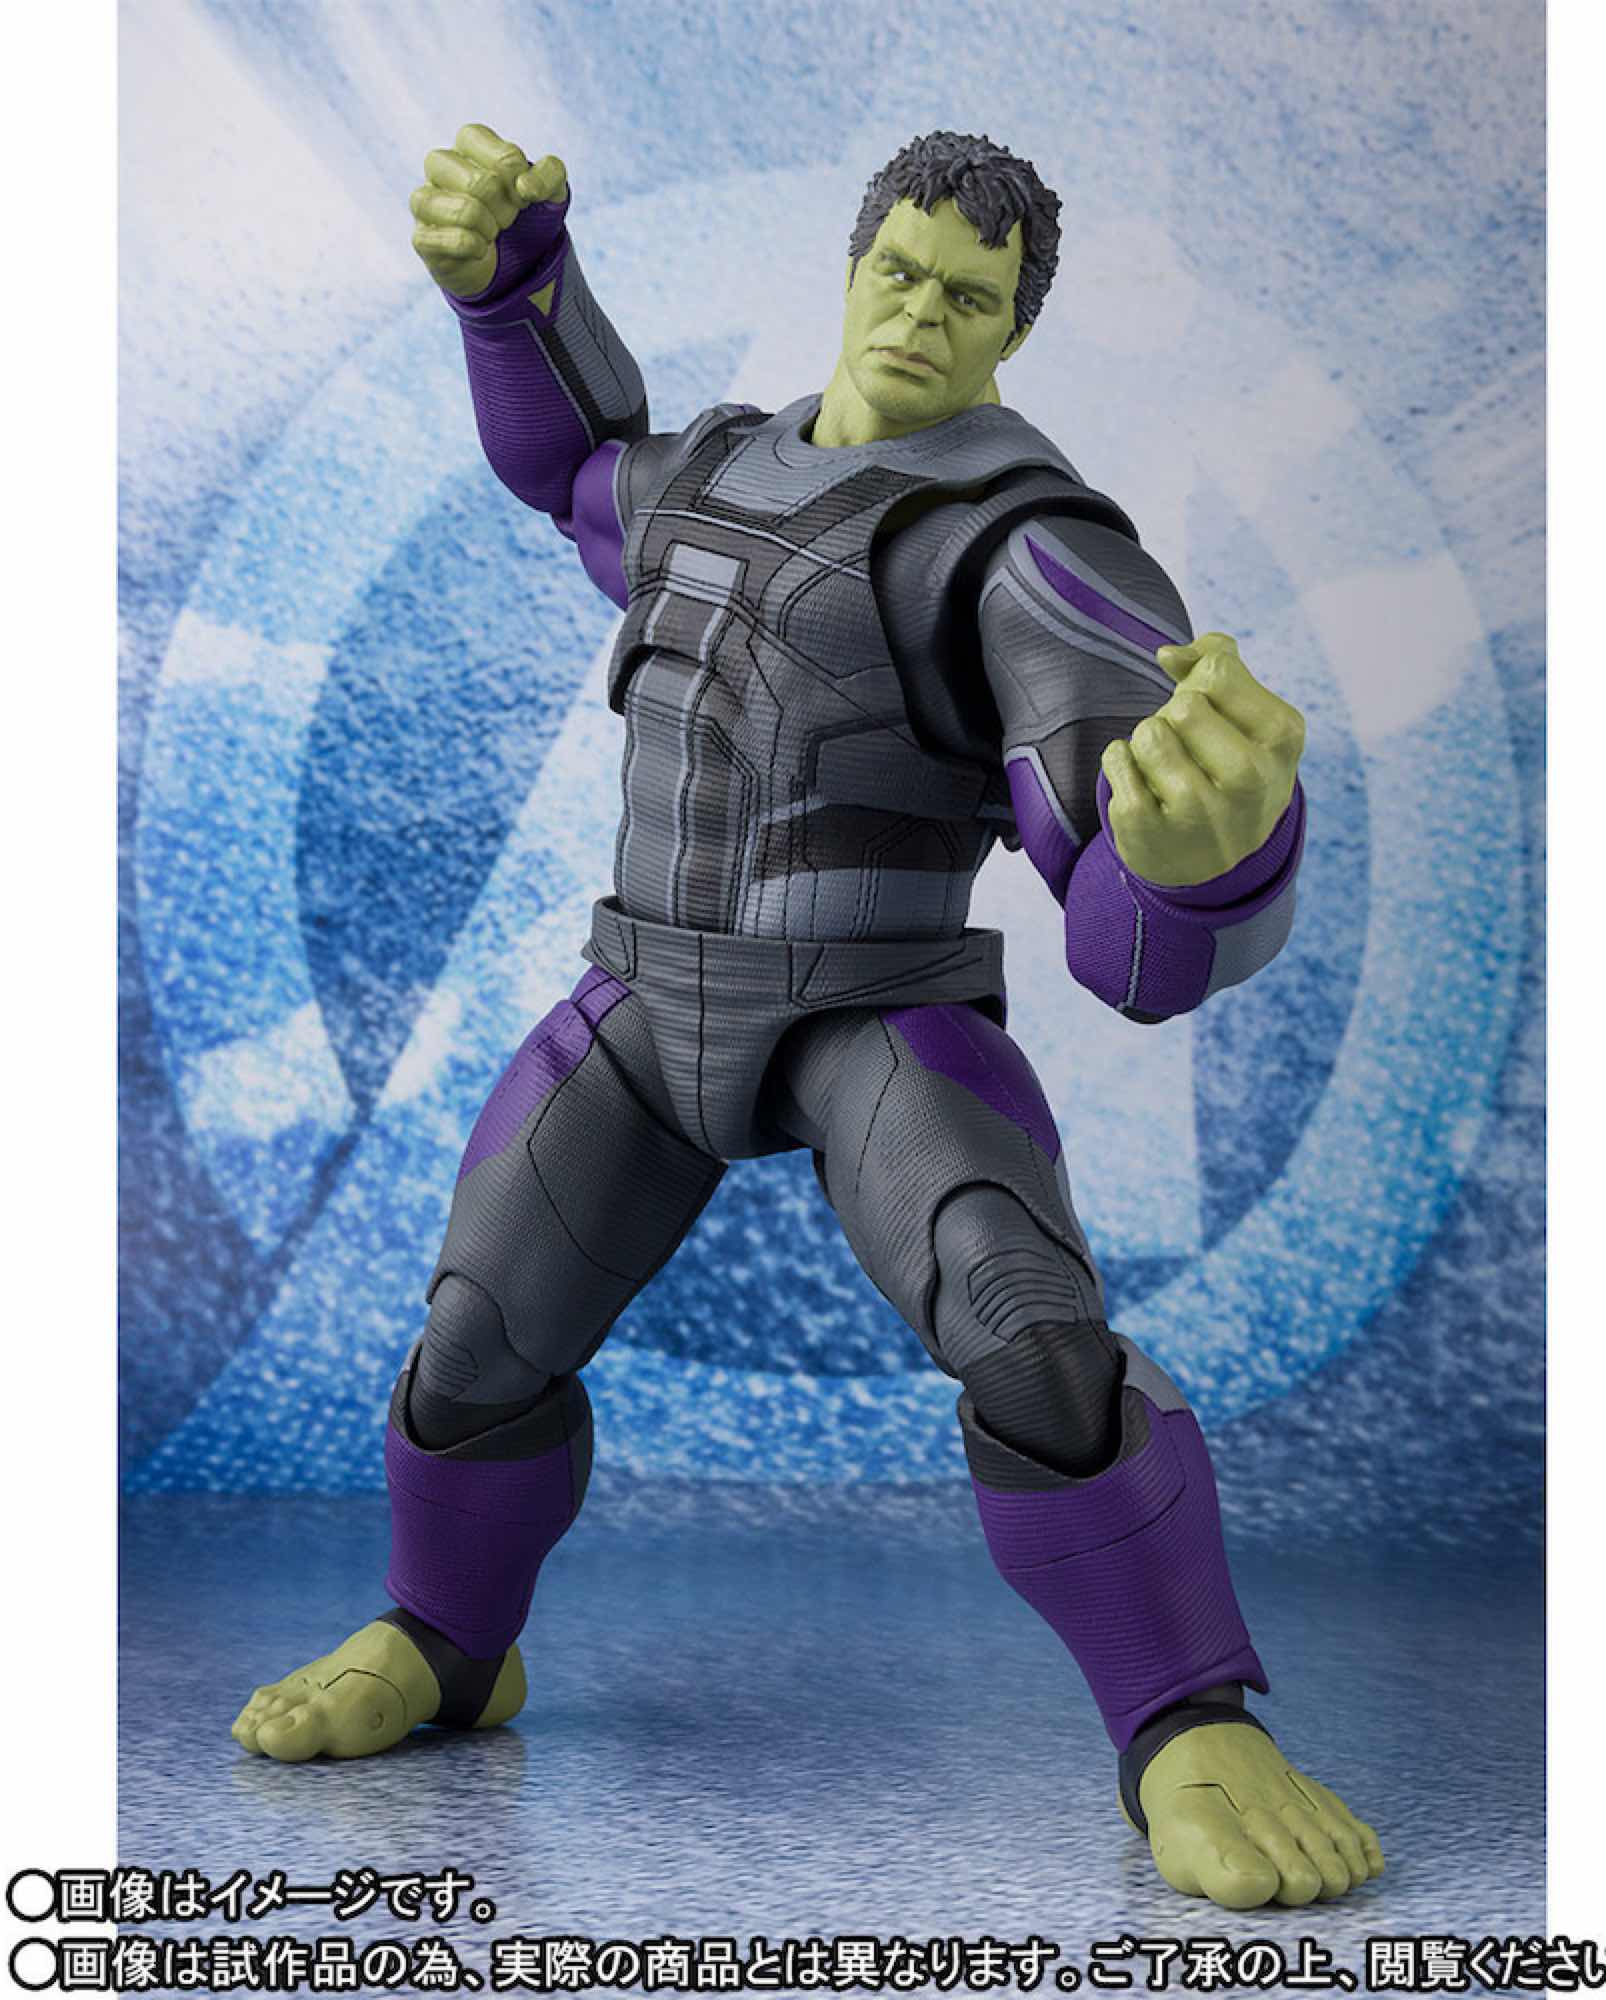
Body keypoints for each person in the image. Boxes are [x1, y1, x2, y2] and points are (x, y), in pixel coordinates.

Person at [232, 126, 1382, 1910]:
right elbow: (572, 469)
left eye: (970, 299)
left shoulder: (1023, 551)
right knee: (475, 1338)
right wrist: (514, 291)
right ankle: (449, 1643)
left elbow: (1130, 950)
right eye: (901, 273)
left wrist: (1210, 859)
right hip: (645, 998)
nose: (923, 315)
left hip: (872, 1017)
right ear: (854, 268)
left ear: (1014, 332)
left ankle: (1187, 1718)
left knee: (1027, 1330)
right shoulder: (708, 473)